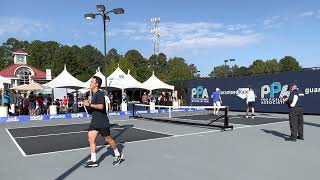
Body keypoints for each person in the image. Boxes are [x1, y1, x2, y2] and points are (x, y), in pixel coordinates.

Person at [83, 76, 124, 167]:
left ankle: (118, 154)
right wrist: (87, 106)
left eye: (92, 81)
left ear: (96, 84)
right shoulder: (93, 95)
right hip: (94, 121)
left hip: (102, 122)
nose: (90, 83)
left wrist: (89, 104)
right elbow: (93, 110)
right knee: (91, 139)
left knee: (108, 139)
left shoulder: (99, 93)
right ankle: (94, 160)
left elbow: (101, 107)